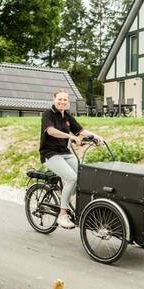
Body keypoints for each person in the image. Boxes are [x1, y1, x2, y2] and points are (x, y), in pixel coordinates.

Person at [39, 89, 103, 229]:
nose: (62, 102)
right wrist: (71, 137)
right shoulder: (47, 114)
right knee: (72, 178)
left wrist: (96, 136)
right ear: (54, 99)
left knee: (83, 177)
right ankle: (62, 215)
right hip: (50, 154)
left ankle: (67, 198)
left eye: (65, 100)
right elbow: (51, 131)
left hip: (65, 152)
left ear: (68, 101)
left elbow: (81, 131)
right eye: (59, 99)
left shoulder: (67, 116)